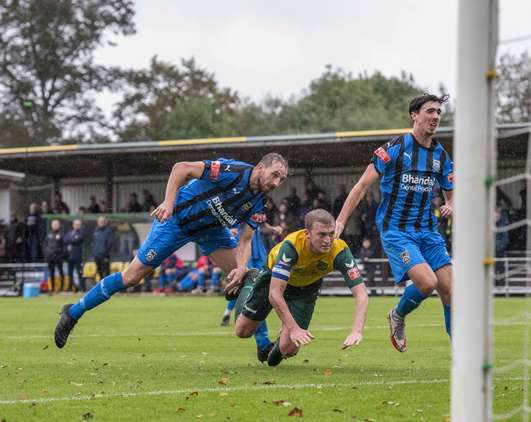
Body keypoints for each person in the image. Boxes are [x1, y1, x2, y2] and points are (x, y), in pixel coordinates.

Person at [54, 153, 288, 349]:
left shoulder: (259, 203)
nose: (277, 183)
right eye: (274, 175)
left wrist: (240, 267)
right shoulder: (232, 170)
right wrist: (168, 202)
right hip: (176, 220)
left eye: (282, 180)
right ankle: (73, 312)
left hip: (211, 232)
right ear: (260, 167)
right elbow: (181, 168)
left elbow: (246, 240)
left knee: (250, 279)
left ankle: (263, 344)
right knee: (132, 276)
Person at [334, 93, 454, 352]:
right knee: (427, 283)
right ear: (414, 115)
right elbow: (362, 185)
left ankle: (463, 356)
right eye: (429, 111)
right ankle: (397, 315)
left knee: (449, 289)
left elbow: (450, 189)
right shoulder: (395, 148)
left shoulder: (440, 154)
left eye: (438, 113)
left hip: (427, 230)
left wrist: (450, 205)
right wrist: (341, 221)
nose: (435, 117)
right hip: (397, 231)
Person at [233, 209, 368, 366]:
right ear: (307, 233)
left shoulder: (340, 250)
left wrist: (356, 331)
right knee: (242, 332)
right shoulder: (292, 246)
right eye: (322, 234)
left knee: (289, 349)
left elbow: (361, 294)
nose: (328, 240)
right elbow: (275, 294)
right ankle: (250, 281)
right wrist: (294, 328)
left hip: (306, 287)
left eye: (331, 234)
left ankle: (278, 347)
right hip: (272, 278)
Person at [63, 219, 85, 292]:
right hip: (69, 256)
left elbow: (77, 240)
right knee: (70, 273)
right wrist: (72, 239)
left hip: (77, 256)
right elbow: (65, 239)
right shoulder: (69, 232)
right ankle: (70, 287)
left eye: (78, 224)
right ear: (73, 225)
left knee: (79, 272)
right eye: (75, 224)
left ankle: (82, 288)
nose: (77, 226)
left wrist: (71, 239)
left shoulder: (81, 232)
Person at [91, 216, 115, 282]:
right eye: (99, 221)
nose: (100, 223)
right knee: (99, 271)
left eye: (102, 221)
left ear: (105, 222)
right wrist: (94, 252)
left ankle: (108, 286)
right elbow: (93, 242)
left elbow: (110, 243)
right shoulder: (95, 231)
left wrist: (105, 252)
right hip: (96, 255)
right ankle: (102, 285)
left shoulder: (108, 231)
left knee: (106, 271)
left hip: (105, 255)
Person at [44, 219, 65, 292]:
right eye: (53, 224)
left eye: (56, 224)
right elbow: (45, 245)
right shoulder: (49, 235)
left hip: (58, 257)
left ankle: (62, 288)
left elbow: (64, 246)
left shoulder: (62, 234)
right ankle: (52, 288)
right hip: (50, 257)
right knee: (51, 273)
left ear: (59, 225)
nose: (54, 226)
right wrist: (46, 254)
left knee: (60, 272)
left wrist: (61, 254)